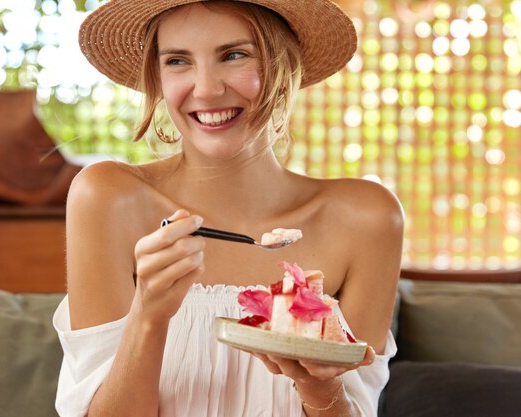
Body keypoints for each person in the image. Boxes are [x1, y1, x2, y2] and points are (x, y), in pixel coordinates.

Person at [53, 1, 404, 416]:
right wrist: (149, 313)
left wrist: (316, 386)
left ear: (283, 65)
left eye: (234, 54)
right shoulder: (108, 198)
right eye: (178, 61)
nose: (205, 89)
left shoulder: (367, 218)